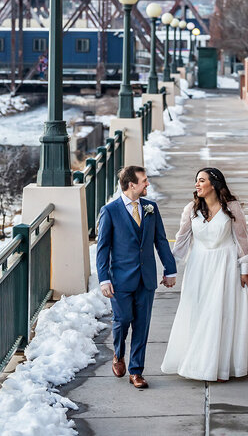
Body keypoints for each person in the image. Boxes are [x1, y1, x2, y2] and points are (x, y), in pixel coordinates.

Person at [160, 167, 248, 381]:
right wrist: (170, 269)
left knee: (221, 314)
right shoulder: (191, 209)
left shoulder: (231, 208)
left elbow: (242, 239)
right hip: (199, 265)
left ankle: (221, 366)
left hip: (225, 264)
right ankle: (198, 362)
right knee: (199, 312)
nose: (197, 184)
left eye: (201, 180)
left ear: (213, 184)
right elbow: (182, 241)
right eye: (196, 180)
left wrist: (244, 270)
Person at [96, 165, 177, 389]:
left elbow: (160, 240)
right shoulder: (110, 211)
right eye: (144, 181)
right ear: (132, 185)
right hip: (120, 279)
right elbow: (102, 249)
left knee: (142, 325)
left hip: (146, 278)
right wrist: (104, 279)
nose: (147, 184)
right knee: (122, 321)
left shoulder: (151, 208)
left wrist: (169, 270)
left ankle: (136, 371)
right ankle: (118, 354)